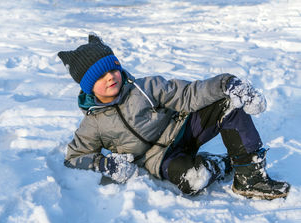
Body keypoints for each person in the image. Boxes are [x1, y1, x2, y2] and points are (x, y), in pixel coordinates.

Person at [58, 34, 290, 200]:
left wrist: (226, 84)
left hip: (183, 129)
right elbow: (75, 157)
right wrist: (104, 163)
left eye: (112, 69)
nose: (110, 77)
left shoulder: (145, 87)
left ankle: (250, 178)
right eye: (100, 76)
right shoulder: (93, 123)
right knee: (193, 180)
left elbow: (187, 95)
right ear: (89, 86)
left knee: (229, 103)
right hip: (159, 159)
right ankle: (219, 164)